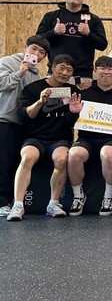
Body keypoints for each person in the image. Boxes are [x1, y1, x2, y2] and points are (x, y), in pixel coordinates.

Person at [6, 54, 82, 221]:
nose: (65, 73)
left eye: (69, 70)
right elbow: (24, 117)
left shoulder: (74, 92)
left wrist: (74, 112)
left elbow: (70, 122)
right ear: (52, 67)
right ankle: (18, 205)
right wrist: (40, 102)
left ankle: (53, 203)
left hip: (60, 139)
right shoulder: (33, 88)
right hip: (35, 137)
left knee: (62, 159)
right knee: (27, 157)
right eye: (61, 68)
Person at [67, 56, 112, 217]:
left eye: (110, 69)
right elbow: (69, 123)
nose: (106, 72)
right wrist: (73, 113)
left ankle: (108, 196)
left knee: (108, 155)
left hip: (111, 139)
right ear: (95, 72)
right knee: (74, 155)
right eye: (102, 68)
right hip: (86, 139)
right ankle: (78, 196)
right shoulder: (83, 94)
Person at [0, 35, 50, 216]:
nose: (36, 53)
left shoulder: (36, 75)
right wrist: (19, 73)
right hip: (5, 120)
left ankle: (13, 200)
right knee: (3, 163)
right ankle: (1, 202)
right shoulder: (7, 62)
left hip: (23, 124)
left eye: (41, 52)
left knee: (15, 162)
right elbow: (2, 84)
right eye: (34, 48)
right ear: (25, 47)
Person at [36, 0, 108, 85]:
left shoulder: (93, 19)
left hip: (83, 76)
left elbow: (102, 45)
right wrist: (54, 32)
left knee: (80, 97)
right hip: (55, 72)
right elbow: (38, 40)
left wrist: (89, 34)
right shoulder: (51, 16)